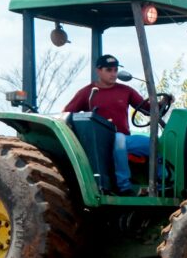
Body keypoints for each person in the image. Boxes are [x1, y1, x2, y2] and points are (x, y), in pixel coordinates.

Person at [63, 54, 150, 195]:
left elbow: (147, 108)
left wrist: (162, 103)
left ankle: (162, 182)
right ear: (98, 71)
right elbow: (66, 115)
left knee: (156, 144)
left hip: (124, 139)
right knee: (119, 139)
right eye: (109, 70)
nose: (113, 74)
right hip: (100, 142)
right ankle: (124, 187)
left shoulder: (126, 91)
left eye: (115, 70)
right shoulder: (87, 92)